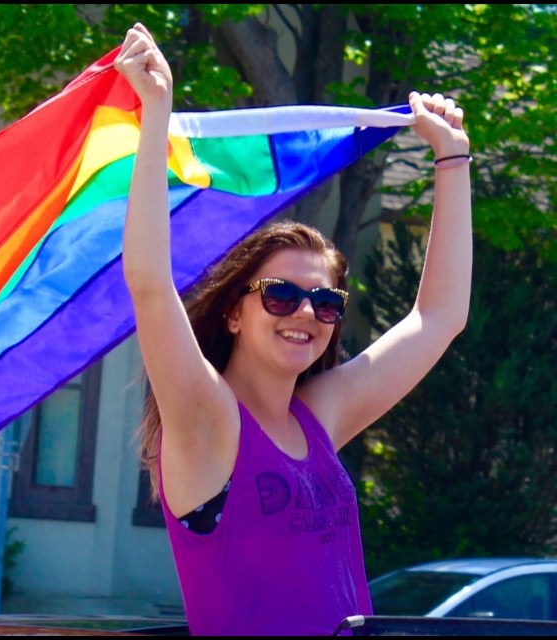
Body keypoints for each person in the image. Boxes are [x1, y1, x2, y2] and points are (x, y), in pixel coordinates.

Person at [116, 23, 472, 636]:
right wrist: (156, 116)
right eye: (280, 295)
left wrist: (453, 157)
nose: (305, 312)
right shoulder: (208, 422)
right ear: (233, 311)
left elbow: (438, 318)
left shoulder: (318, 415)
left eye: (326, 302)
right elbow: (150, 284)